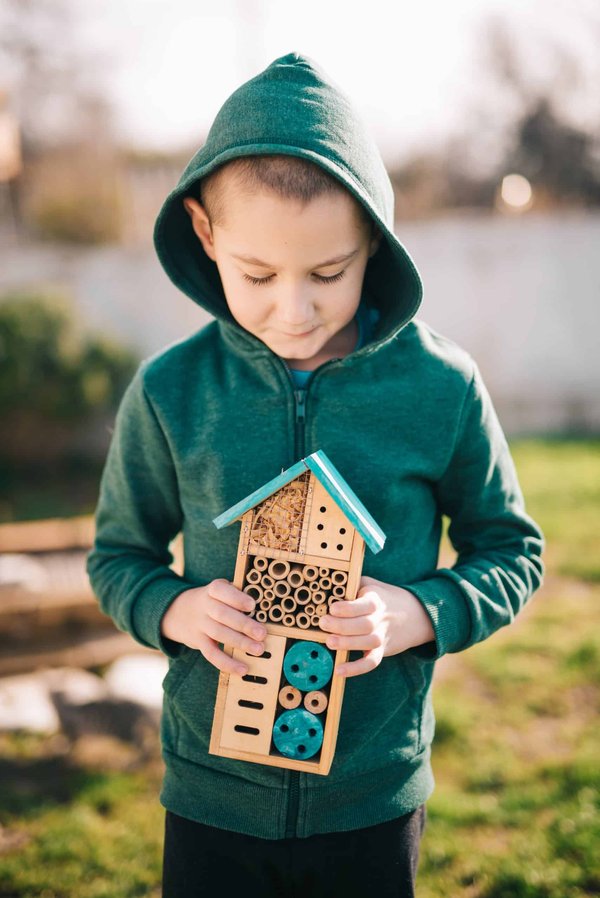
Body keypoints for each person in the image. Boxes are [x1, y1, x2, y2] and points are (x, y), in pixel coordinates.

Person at [86, 52, 544, 897]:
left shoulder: (441, 388)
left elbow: (512, 551)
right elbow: (118, 557)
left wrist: (419, 612)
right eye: (258, 275)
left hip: (370, 799)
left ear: (374, 238)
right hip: (210, 799)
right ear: (205, 233)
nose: (294, 310)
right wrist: (177, 609)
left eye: (329, 274)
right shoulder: (170, 392)